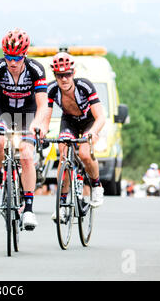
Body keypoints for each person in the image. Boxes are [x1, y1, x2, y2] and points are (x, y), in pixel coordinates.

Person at [0, 28, 48, 230]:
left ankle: (28, 209)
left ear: (25, 55)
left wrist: (37, 124)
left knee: (26, 154)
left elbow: (43, 104)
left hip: (28, 112)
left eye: (17, 57)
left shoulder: (36, 69)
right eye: (8, 56)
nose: (13, 62)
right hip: (2, 111)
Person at [45, 51, 106, 217]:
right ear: (55, 75)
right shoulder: (51, 89)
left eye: (67, 74)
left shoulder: (84, 86)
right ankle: (62, 203)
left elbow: (101, 116)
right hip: (69, 121)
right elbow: (45, 116)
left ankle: (96, 185)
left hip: (89, 121)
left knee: (85, 154)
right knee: (64, 155)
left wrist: (93, 133)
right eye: (59, 75)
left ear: (73, 73)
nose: (64, 79)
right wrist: (41, 132)